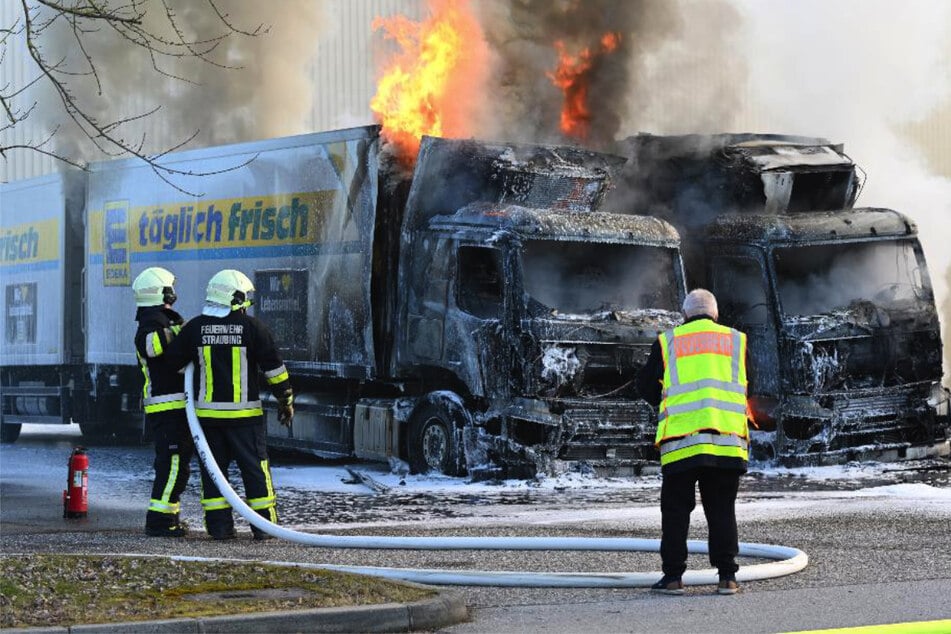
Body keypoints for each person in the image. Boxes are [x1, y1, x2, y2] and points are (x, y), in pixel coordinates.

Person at [636, 288, 754, 596]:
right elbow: (748, 383)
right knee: (722, 510)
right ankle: (727, 577)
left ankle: (673, 578)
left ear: (685, 315)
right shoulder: (736, 340)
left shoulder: (669, 341)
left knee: (675, 511)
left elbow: (646, 387)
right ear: (716, 315)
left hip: (681, 442)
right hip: (726, 441)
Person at [165, 269, 294, 540]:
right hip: (245, 419)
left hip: (208, 421)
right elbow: (274, 369)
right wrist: (286, 399)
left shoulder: (195, 328)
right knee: (255, 471)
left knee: (214, 474)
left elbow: (172, 363)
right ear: (235, 298)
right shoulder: (253, 328)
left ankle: (220, 528)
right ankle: (265, 527)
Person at [132, 266, 193, 538]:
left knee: (176, 465)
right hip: (166, 406)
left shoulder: (159, 319)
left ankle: (169, 517)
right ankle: (159, 522)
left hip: (174, 405)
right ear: (164, 292)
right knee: (173, 465)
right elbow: (151, 345)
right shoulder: (151, 322)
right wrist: (184, 332)